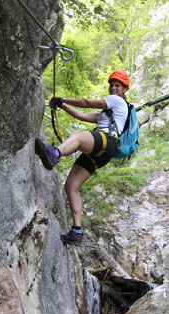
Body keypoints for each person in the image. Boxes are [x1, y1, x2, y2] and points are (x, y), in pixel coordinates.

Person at [35, 70, 130, 246]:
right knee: (71, 186)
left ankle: (54, 153)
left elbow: (86, 103)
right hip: (103, 153)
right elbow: (82, 115)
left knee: (76, 137)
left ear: (124, 89)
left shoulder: (117, 101)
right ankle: (76, 232)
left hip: (106, 142)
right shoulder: (108, 114)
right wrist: (62, 106)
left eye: (118, 85)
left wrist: (62, 99)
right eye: (112, 85)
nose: (113, 88)